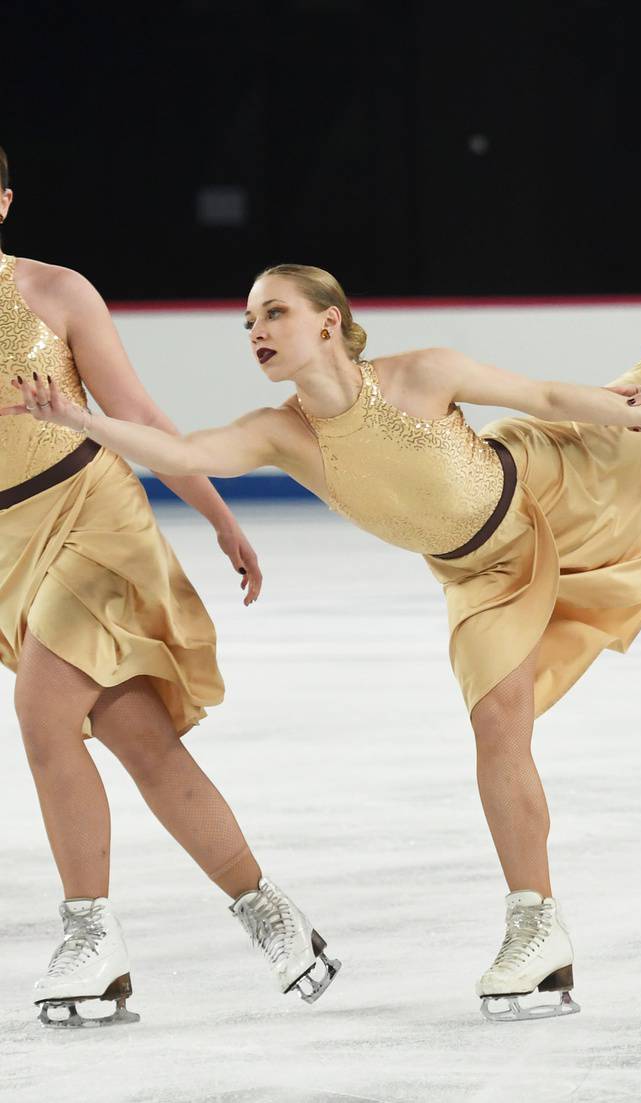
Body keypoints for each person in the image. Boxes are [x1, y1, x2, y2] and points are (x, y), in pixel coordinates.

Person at [7, 209, 641, 1018]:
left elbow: (553, 398)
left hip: (551, 487)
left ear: (329, 322)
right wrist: (78, 417)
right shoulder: (279, 432)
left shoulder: (420, 375)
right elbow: (183, 451)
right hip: (481, 576)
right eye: (246, 322)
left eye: (274, 312)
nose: (257, 330)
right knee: (500, 721)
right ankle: (538, 926)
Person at [0, 142, 337, 1027]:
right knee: (139, 740)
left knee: (42, 712)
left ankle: (89, 936)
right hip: (5, 544)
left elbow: (138, 414)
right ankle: (269, 909)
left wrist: (216, 512)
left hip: (88, 512)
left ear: (1, 202)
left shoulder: (53, 292)